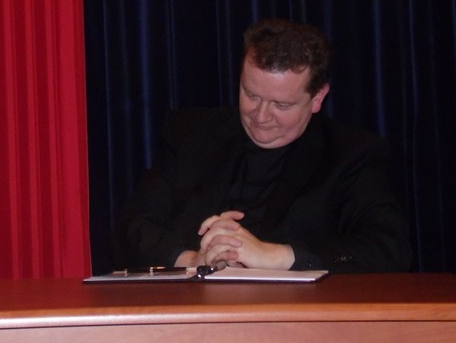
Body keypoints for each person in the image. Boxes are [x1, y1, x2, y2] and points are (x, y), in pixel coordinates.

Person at [117, 18, 412, 273]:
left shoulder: (352, 154)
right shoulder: (190, 134)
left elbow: (389, 247)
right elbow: (129, 230)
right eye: (251, 95)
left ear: (318, 98)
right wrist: (194, 260)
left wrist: (275, 256)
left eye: (281, 105)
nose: (260, 116)